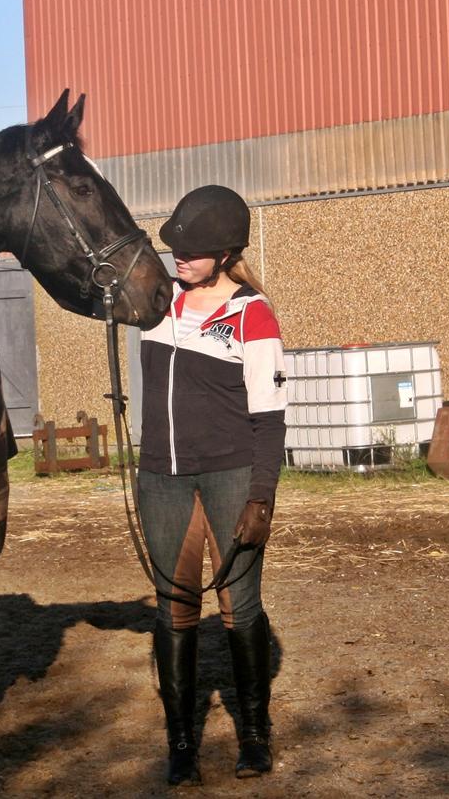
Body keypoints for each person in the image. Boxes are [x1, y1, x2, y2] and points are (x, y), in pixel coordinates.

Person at [138, 184, 286, 785]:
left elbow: (270, 417)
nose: (181, 257)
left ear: (226, 254)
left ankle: (253, 734)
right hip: (160, 478)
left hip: (230, 475)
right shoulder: (155, 302)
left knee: (237, 604)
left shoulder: (252, 314)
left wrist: (261, 497)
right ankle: (181, 745)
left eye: (194, 250)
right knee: (174, 609)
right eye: (176, 246)